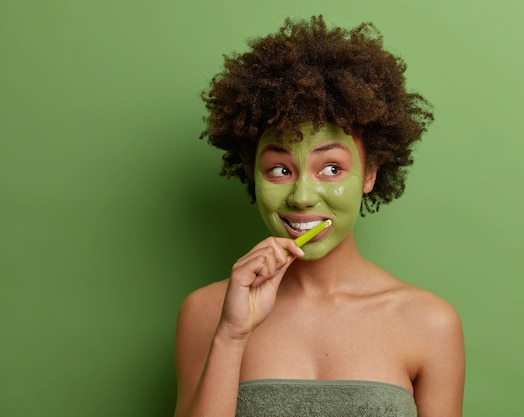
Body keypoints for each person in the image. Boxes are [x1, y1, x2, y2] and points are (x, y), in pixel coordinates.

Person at [174, 15, 465, 417]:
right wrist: (231, 335)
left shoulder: (429, 322)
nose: (302, 195)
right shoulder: (207, 313)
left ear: (371, 174)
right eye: (280, 169)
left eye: (331, 168)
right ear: (252, 174)